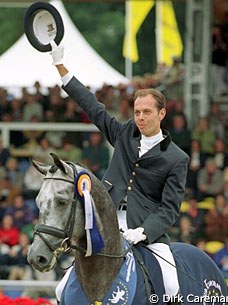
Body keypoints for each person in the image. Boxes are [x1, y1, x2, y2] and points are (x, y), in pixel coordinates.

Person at [50, 42, 189, 301]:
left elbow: (169, 209)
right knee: (60, 289)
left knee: (172, 286)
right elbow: (94, 108)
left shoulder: (177, 158)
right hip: (104, 222)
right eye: (137, 112)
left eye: (147, 112)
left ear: (162, 113)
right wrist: (62, 68)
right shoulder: (125, 133)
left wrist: (144, 231)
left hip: (145, 230)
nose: (140, 117)